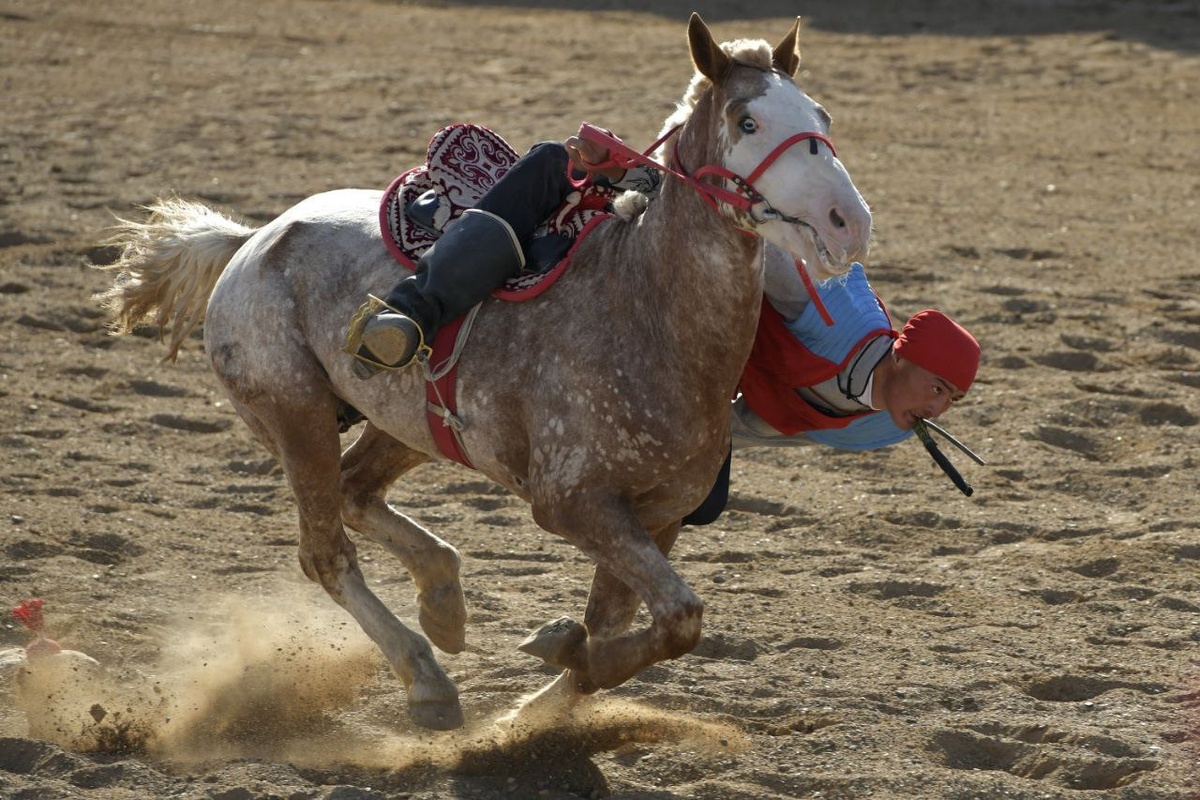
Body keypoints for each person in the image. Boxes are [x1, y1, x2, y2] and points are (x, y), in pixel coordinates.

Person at [345, 131, 980, 519]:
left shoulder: (878, 432)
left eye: (950, 400)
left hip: (701, 379)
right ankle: (413, 311)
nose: (942, 409)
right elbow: (753, 242)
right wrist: (650, 185)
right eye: (941, 388)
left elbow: (750, 425)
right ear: (903, 357)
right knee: (549, 167)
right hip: (687, 296)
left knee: (699, 504)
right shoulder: (831, 305)